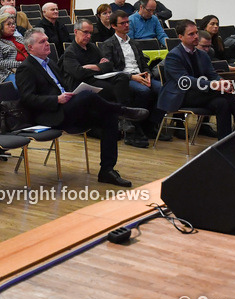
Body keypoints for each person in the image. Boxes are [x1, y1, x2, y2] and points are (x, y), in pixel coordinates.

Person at [16, 29, 149, 187]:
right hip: (50, 115)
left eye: (47, 40)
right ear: (30, 48)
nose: (47, 44)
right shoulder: (26, 68)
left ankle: (107, 170)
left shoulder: (50, 62)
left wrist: (69, 94)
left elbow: (63, 85)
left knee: (109, 118)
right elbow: (28, 99)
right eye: (42, 42)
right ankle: (123, 111)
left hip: (67, 110)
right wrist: (56, 99)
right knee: (87, 95)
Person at [158, 20, 235, 143]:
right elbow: (184, 80)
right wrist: (213, 84)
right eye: (191, 34)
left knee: (222, 102)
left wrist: (221, 81)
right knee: (222, 93)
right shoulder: (174, 55)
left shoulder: (202, 54)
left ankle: (225, 142)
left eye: (196, 32)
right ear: (181, 37)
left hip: (201, 94)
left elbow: (212, 74)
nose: (196, 36)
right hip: (180, 94)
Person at [98, 10, 167, 142]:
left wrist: (148, 75)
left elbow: (143, 63)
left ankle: (151, 125)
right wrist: (131, 77)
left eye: (127, 22)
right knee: (144, 91)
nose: (126, 25)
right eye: (122, 23)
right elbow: (109, 68)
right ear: (114, 26)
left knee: (162, 89)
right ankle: (136, 125)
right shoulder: (108, 44)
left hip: (141, 75)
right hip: (124, 78)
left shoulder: (134, 42)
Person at [0, 12, 27, 83]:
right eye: (8, 24)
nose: (12, 26)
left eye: (13, 23)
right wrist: (20, 63)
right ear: (0, 27)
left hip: (28, 69)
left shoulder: (20, 38)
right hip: (11, 72)